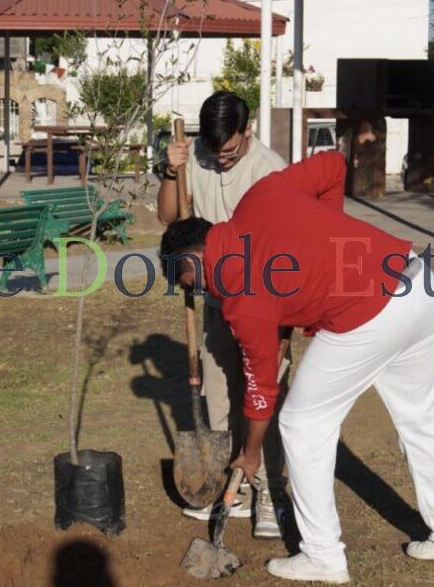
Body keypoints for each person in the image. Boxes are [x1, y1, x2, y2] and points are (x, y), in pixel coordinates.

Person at [159, 151, 434, 584]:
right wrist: (333, 241)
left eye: (188, 283)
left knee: (302, 424)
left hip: (368, 314)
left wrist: (250, 454)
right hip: (419, 284)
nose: (199, 292)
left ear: (191, 260)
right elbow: (332, 165)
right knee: (423, 417)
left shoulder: (240, 297)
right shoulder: (260, 195)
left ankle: (323, 555)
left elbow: (261, 391)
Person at [157, 90, 289, 538]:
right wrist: (170, 172)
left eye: (230, 152)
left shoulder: (271, 170)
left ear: (246, 131)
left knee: (263, 398)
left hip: (265, 303)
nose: (222, 161)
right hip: (216, 302)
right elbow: (170, 219)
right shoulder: (194, 156)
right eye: (214, 153)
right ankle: (233, 489)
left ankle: (270, 493)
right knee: (220, 400)